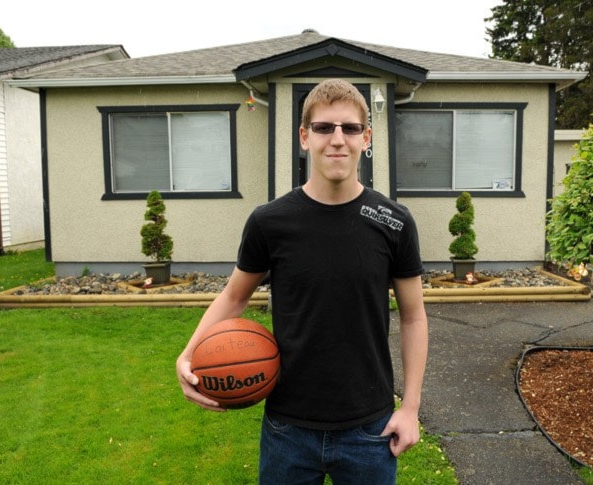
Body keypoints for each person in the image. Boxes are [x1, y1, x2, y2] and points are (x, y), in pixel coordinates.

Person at [176, 78, 428, 484]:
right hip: (287, 428)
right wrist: (188, 355)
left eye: (349, 128)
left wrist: (411, 408)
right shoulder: (270, 221)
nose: (337, 140)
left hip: (370, 426)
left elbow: (414, 317)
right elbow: (234, 296)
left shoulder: (394, 222)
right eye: (325, 127)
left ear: (366, 137)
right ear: (304, 136)